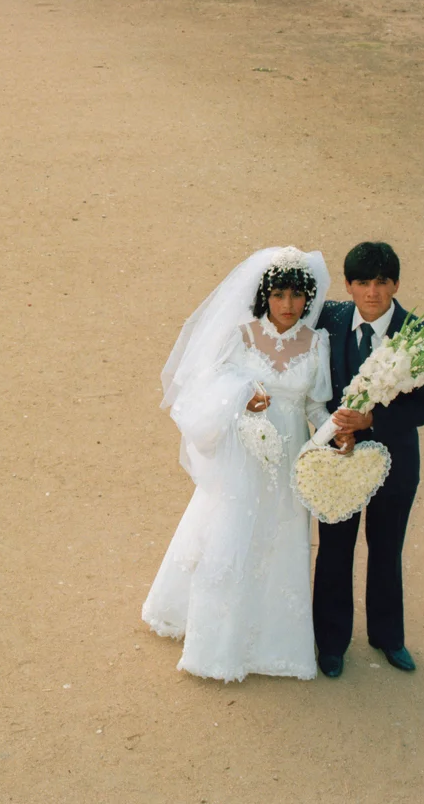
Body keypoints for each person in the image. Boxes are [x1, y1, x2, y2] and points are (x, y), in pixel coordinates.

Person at [142, 247, 333, 681]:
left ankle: (271, 643)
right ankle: (215, 642)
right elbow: (203, 388)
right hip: (242, 456)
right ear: (266, 295)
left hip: (289, 462)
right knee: (229, 537)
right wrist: (241, 395)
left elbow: (316, 407)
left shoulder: (316, 343)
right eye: (280, 294)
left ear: (308, 298)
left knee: (279, 541)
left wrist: (334, 433)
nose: (288, 305)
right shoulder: (240, 336)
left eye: (297, 296)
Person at [312, 241, 424, 677]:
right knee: (334, 549)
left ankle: (389, 637)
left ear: (396, 284)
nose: (373, 292)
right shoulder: (327, 319)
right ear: (348, 285)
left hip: (396, 460)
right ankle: (330, 643)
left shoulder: (420, 333)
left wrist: (372, 422)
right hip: (338, 457)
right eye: (363, 282)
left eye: (382, 282)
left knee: (387, 548)